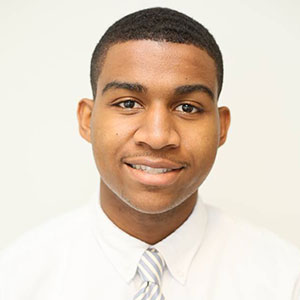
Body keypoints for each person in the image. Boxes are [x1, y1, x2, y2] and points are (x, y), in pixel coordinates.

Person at [0, 7, 299, 300]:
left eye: (187, 107)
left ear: (222, 127)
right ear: (86, 120)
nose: (157, 137)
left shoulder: (285, 282)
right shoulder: (16, 279)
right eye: (128, 104)